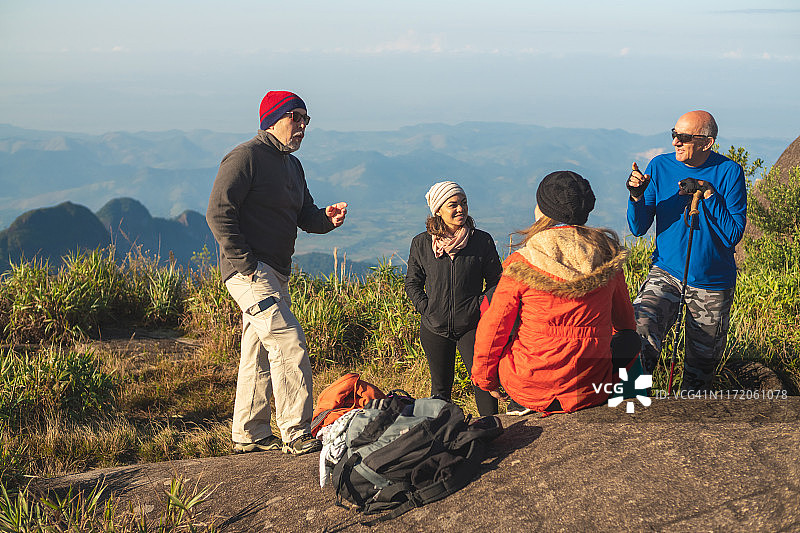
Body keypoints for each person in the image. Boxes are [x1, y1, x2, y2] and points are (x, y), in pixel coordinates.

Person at [206, 90, 348, 455]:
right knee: (288, 341)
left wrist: (326, 220)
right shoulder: (246, 157)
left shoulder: (291, 166)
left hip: (275, 272)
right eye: (295, 117)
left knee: (257, 351)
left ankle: (248, 432)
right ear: (272, 119)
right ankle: (296, 431)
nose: (302, 126)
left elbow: (305, 215)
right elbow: (219, 212)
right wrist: (247, 265)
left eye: (306, 120)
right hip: (251, 273)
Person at [472, 171, 640, 414]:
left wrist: (486, 379)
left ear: (542, 210)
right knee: (630, 339)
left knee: (492, 302)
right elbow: (625, 324)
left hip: (528, 386)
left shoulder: (523, 260)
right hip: (590, 387)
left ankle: (520, 404)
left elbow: (494, 328)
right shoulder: (608, 255)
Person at [626, 110, 746, 391]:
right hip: (667, 271)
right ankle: (629, 399)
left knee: (702, 365)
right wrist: (636, 196)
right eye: (674, 134)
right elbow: (638, 227)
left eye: (684, 137)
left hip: (712, 282)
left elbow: (732, 235)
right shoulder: (659, 166)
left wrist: (708, 194)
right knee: (640, 326)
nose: (676, 142)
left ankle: (690, 420)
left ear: (707, 143)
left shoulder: (729, 173)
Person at [405, 181, 503, 416]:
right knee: (440, 390)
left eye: (464, 203)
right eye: (453, 205)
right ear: (438, 209)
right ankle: (445, 439)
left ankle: (494, 429)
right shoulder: (422, 243)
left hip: (472, 325)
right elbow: (412, 282)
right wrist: (427, 308)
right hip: (434, 327)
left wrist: (479, 307)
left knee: (483, 383)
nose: (461, 209)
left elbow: (497, 282)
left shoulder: (481, 241)